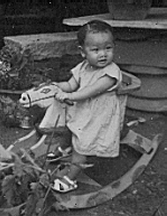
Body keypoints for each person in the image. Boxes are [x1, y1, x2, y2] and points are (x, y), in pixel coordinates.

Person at [50, 19, 123, 193]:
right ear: (83, 52)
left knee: (82, 145)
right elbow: (71, 84)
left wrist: (69, 96)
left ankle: (71, 178)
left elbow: (90, 91)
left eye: (108, 48)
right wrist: (58, 86)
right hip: (83, 111)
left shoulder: (111, 73)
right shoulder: (82, 67)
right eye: (95, 50)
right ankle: (64, 148)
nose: (103, 54)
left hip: (99, 117)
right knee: (69, 127)